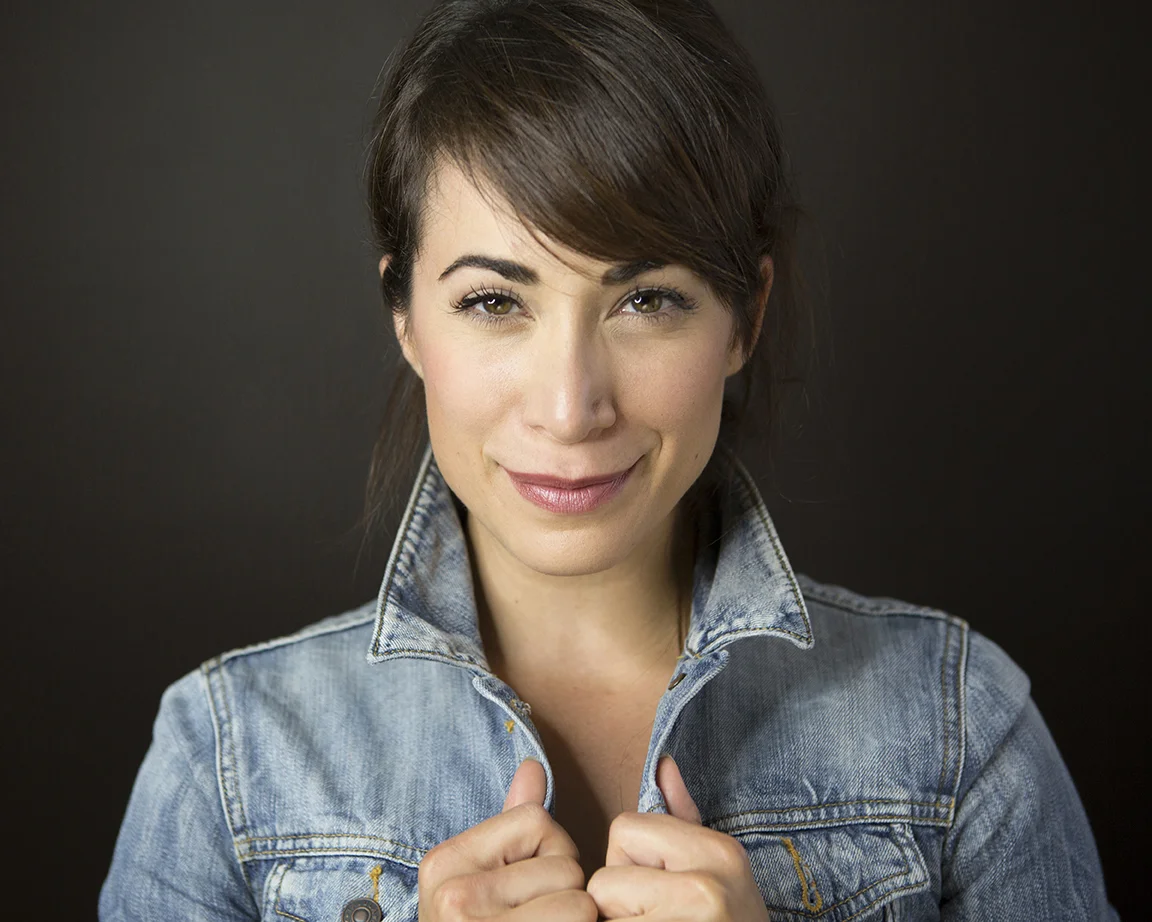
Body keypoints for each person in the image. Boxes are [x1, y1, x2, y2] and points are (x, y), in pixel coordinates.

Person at [100, 0, 1119, 919]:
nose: (570, 405)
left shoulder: (960, 729)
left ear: (744, 319)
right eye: (495, 301)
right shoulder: (226, 760)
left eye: (648, 300)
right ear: (406, 318)